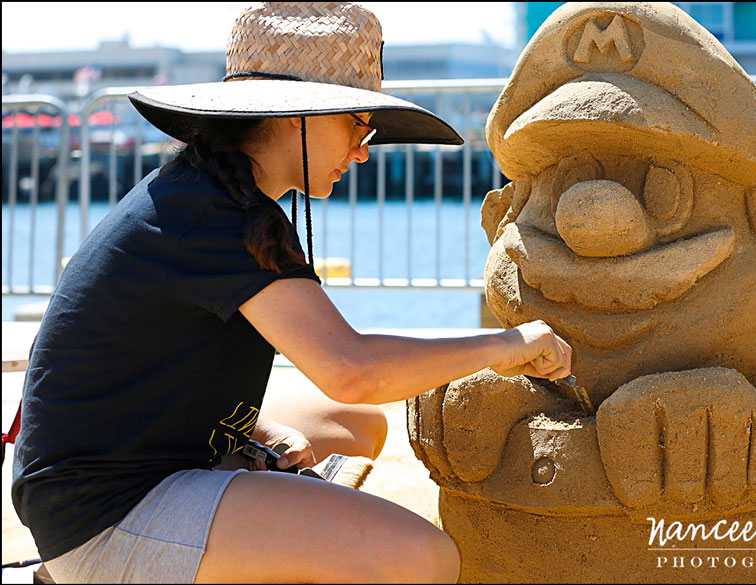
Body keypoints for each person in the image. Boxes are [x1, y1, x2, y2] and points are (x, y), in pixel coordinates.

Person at [11, 3, 571, 584]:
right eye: (357, 124)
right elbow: (352, 368)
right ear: (295, 117)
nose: (363, 150)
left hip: (129, 464)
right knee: (421, 557)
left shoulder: (212, 195)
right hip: (103, 515)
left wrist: (255, 433)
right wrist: (509, 345)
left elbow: (147, 370)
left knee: (356, 425)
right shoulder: (212, 216)